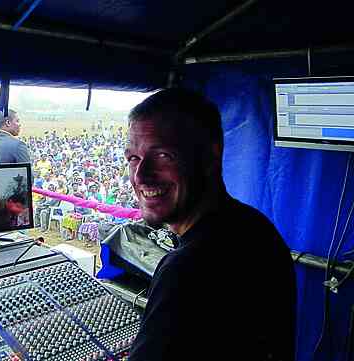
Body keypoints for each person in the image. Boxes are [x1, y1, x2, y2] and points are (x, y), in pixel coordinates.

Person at [126, 89, 296, 361]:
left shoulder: (188, 268)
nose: (141, 175)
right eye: (133, 158)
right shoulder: (257, 228)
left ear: (208, 156)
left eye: (162, 155)